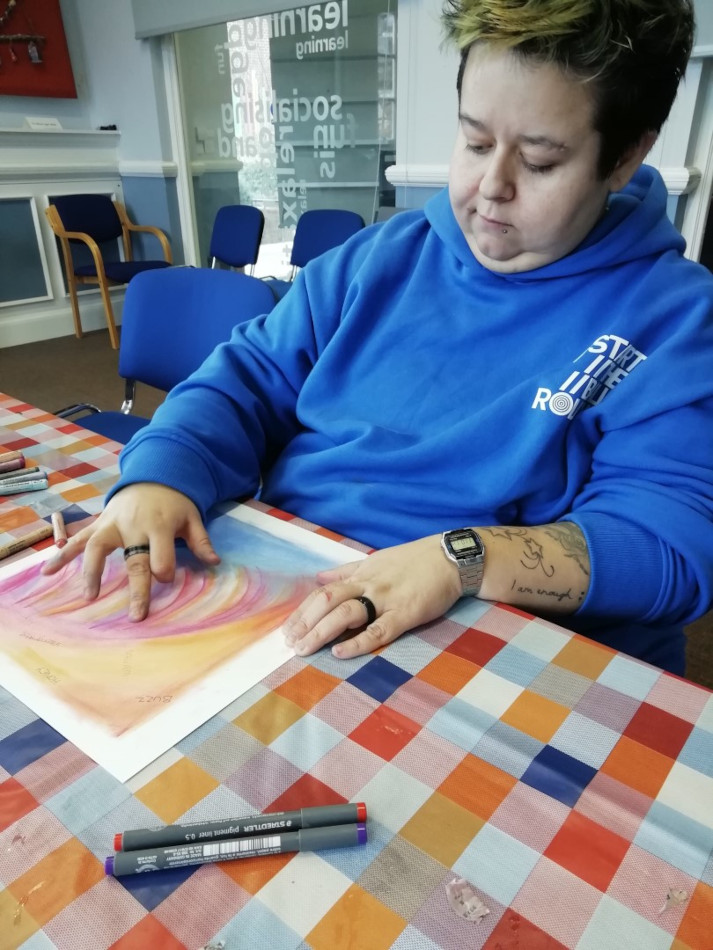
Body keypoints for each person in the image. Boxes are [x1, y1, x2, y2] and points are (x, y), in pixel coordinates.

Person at [44, 0, 713, 675]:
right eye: (474, 141)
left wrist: (462, 558)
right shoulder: (378, 258)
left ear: (626, 156)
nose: (489, 187)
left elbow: (666, 547)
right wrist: (162, 474)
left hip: (488, 637)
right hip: (287, 586)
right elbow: (241, 377)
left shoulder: (672, 317)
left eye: (539, 163)